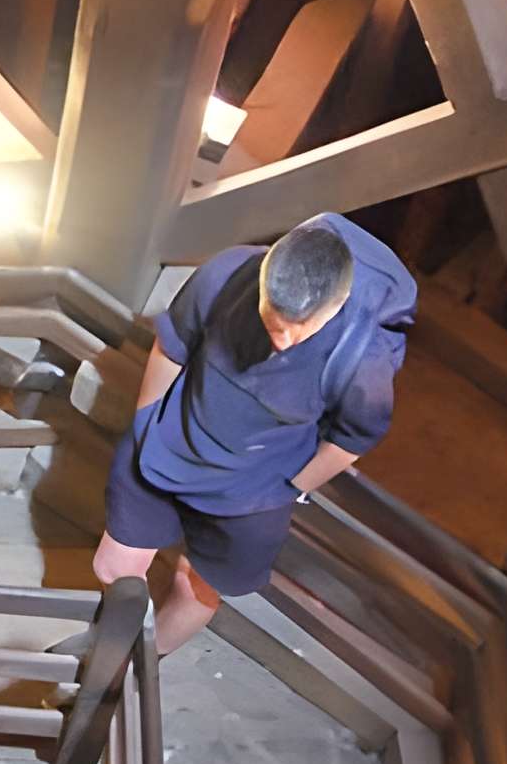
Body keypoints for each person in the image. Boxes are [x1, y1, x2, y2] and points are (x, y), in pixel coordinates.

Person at [97, 213, 415, 652]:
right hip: (172, 440)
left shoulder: (362, 360)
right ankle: (101, 661)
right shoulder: (228, 274)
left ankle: (134, 670)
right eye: (274, 318)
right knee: (115, 567)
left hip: (252, 490)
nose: (284, 338)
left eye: (304, 326)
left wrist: (291, 488)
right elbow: (174, 343)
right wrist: (147, 419)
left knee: (197, 589)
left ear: (336, 307)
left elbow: (352, 438)